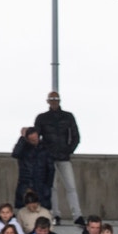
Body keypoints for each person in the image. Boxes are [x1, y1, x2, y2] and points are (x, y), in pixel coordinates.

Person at [34, 91, 84, 226]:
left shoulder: (68, 116)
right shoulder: (42, 118)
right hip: (48, 157)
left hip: (64, 156)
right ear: (48, 101)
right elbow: (36, 137)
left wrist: (68, 150)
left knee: (71, 186)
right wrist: (43, 153)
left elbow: (75, 136)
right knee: (52, 188)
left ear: (60, 100)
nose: (54, 101)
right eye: (52, 99)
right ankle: (55, 214)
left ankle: (77, 215)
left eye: (56, 99)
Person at [12, 127, 54, 211]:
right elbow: (15, 153)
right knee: (22, 209)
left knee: (43, 209)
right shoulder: (24, 147)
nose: (35, 141)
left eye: (36, 138)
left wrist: (48, 184)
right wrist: (22, 138)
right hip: (25, 182)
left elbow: (51, 168)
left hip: (41, 183)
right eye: (32, 140)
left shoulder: (45, 148)